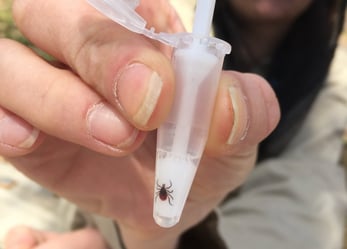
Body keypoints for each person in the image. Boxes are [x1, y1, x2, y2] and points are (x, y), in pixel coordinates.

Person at [0, 0, 346, 249]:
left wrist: (154, 239)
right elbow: (20, 201)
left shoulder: (335, 82)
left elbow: (307, 211)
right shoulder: (164, 20)